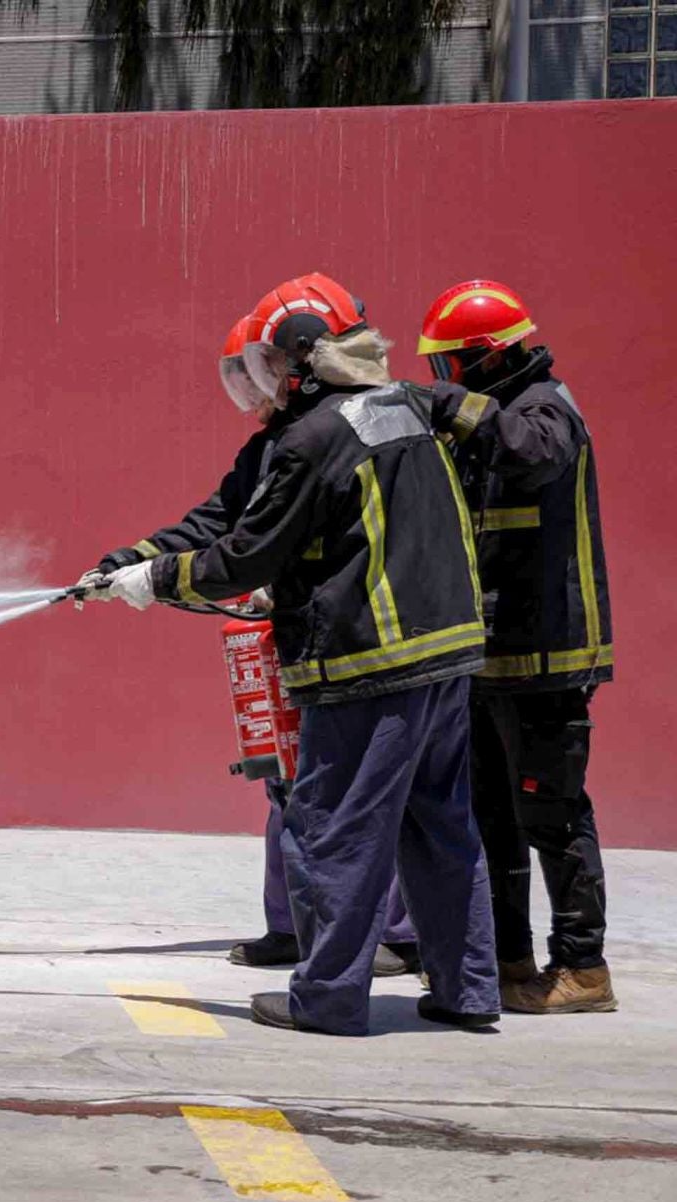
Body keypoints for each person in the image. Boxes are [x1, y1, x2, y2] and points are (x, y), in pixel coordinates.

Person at [81, 272, 500, 1035]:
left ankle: (330, 997)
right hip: (447, 658)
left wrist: (157, 579)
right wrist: (132, 559)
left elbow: (245, 554)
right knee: (441, 829)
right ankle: (468, 990)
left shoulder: (314, 438)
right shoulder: (404, 407)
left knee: (339, 829)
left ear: (304, 356)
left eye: (272, 362)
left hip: (367, 665)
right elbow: (256, 516)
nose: (267, 378)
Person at [94, 316, 422, 979]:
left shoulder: (336, 434)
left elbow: (277, 546)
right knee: (285, 776)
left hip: (361, 640)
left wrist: (164, 580)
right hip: (293, 637)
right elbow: (216, 520)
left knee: (355, 793)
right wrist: (130, 561)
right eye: (244, 378)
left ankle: (394, 935)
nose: (254, 391)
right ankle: (294, 926)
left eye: (259, 374)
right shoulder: (271, 447)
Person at [419, 280, 617, 1014]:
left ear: (488, 356)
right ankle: (507, 960)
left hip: (548, 658)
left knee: (551, 815)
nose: (444, 377)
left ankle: (584, 968)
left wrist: (450, 406)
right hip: (491, 656)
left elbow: (532, 453)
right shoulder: (488, 415)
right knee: (492, 818)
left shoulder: (545, 408)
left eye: (450, 364)